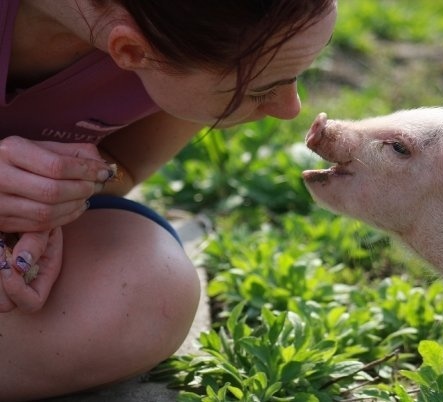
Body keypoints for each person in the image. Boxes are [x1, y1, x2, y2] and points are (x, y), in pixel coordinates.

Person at [0, 0, 337, 400]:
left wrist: (50, 202)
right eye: (261, 88)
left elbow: (121, 164)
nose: (290, 110)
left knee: (149, 290)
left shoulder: (188, 34)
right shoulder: (182, 47)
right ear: (130, 51)